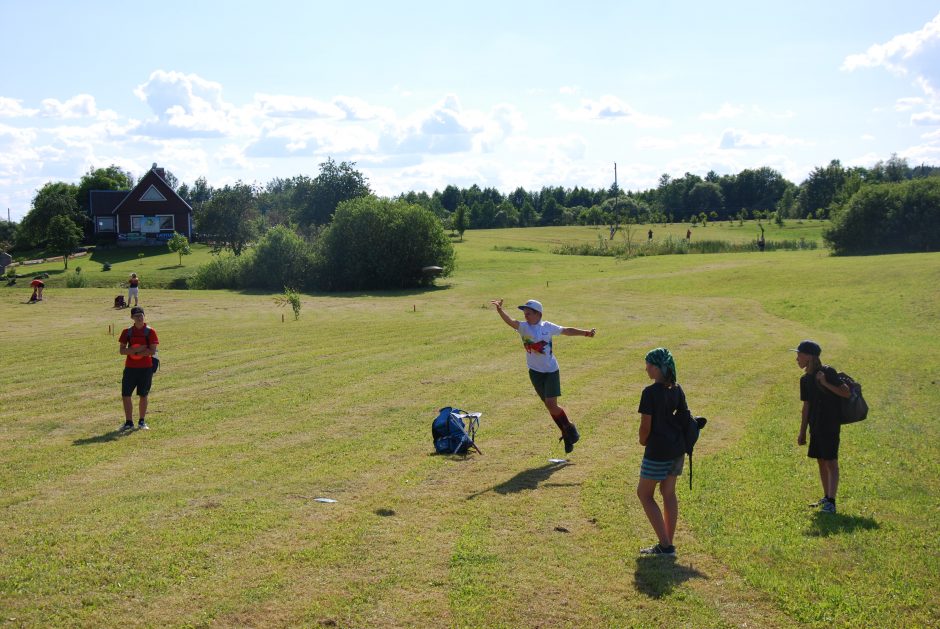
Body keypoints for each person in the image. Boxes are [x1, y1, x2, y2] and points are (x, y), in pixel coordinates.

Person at [490, 298, 596, 453]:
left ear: (538, 314)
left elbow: (566, 330)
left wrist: (585, 333)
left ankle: (570, 429)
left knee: (552, 405)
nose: (526, 316)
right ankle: (567, 434)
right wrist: (500, 311)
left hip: (551, 371)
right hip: (535, 372)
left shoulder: (547, 326)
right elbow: (511, 321)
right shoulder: (524, 328)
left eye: (529, 313)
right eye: (524, 313)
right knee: (549, 406)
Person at [636, 348, 687, 556]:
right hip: (677, 449)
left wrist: (642, 440)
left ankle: (666, 546)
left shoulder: (649, 393)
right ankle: (667, 543)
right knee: (668, 493)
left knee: (644, 494)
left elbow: (645, 426)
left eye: (648, 364)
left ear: (657, 368)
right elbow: (683, 416)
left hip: (657, 451)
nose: (646, 368)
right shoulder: (677, 389)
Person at [793, 340, 849, 513]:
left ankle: (831, 501)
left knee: (831, 461)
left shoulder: (827, 372)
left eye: (799, 354)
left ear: (809, 356)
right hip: (815, 425)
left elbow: (845, 392)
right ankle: (826, 497)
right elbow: (806, 407)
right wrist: (802, 431)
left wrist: (825, 383)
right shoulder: (805, 379)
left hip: (830, 424)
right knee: (821, 460)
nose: (797, 358)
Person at [118, 306, 159, 431]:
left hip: (146, 368)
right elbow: (122, 351)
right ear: (132, 318)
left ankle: (142, 421)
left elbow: (152, 351)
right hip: (130, 368)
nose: (139, 317)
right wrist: (139, 349)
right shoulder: (127, 332)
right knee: (126, 394)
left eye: (141, 315)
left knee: (143, 395)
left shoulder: (150, 332)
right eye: (136, 316)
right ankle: (129, 422)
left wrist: (134, 352)